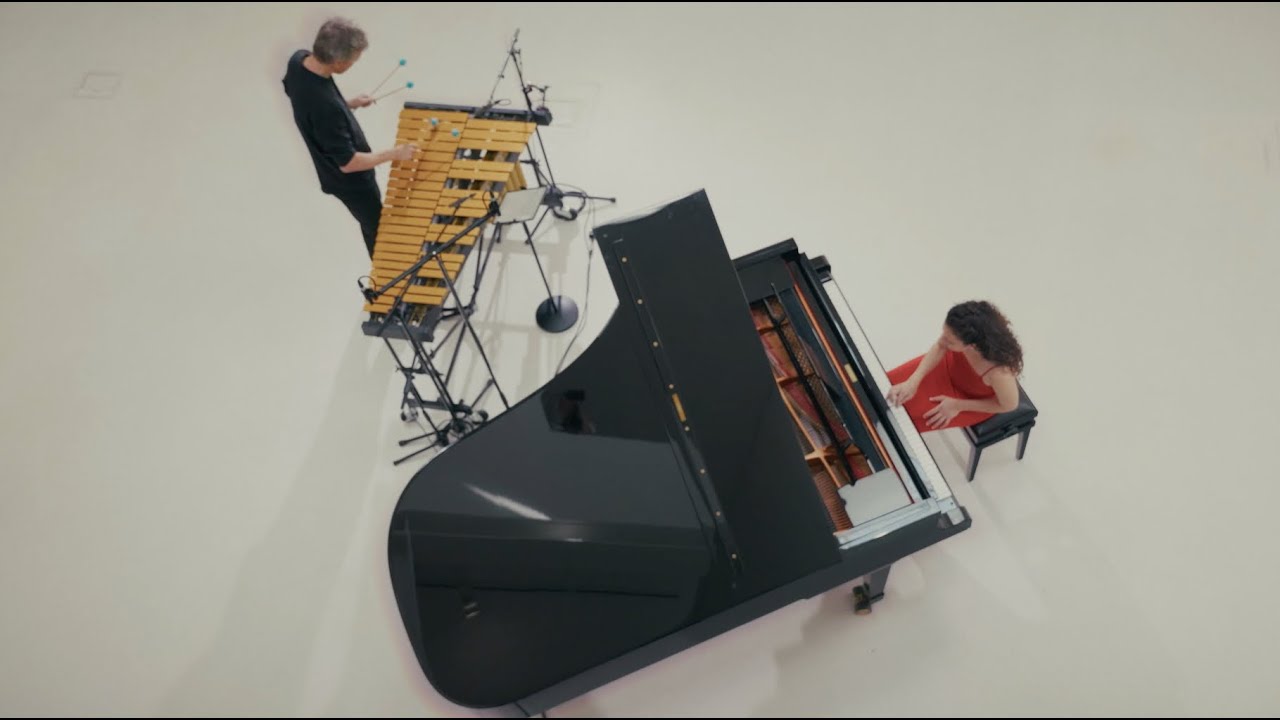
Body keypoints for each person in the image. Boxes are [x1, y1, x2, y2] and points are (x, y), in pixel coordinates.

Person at [282, 17, 417, 258]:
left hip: (337, 151)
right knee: (377, 227)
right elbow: (349, 163)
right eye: (354, 60)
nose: (355, 62)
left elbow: (307, 104)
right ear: (339, 62)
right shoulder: (326, 108)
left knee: (374, 226)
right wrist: (395, 154)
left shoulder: (299, 61)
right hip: (350, 182)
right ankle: (387, 284)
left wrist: (348, 104)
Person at [885, 300, 1024, 433]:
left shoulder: (1000, 373)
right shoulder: (957, 334)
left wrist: (957, 405)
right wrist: (913, 381)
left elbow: (1009, 405)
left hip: (969, 398)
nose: (943, 340)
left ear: (972, 346)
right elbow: (940, 346)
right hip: (944, 367)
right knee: (887, 387)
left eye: (950, 341)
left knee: (900, 419)